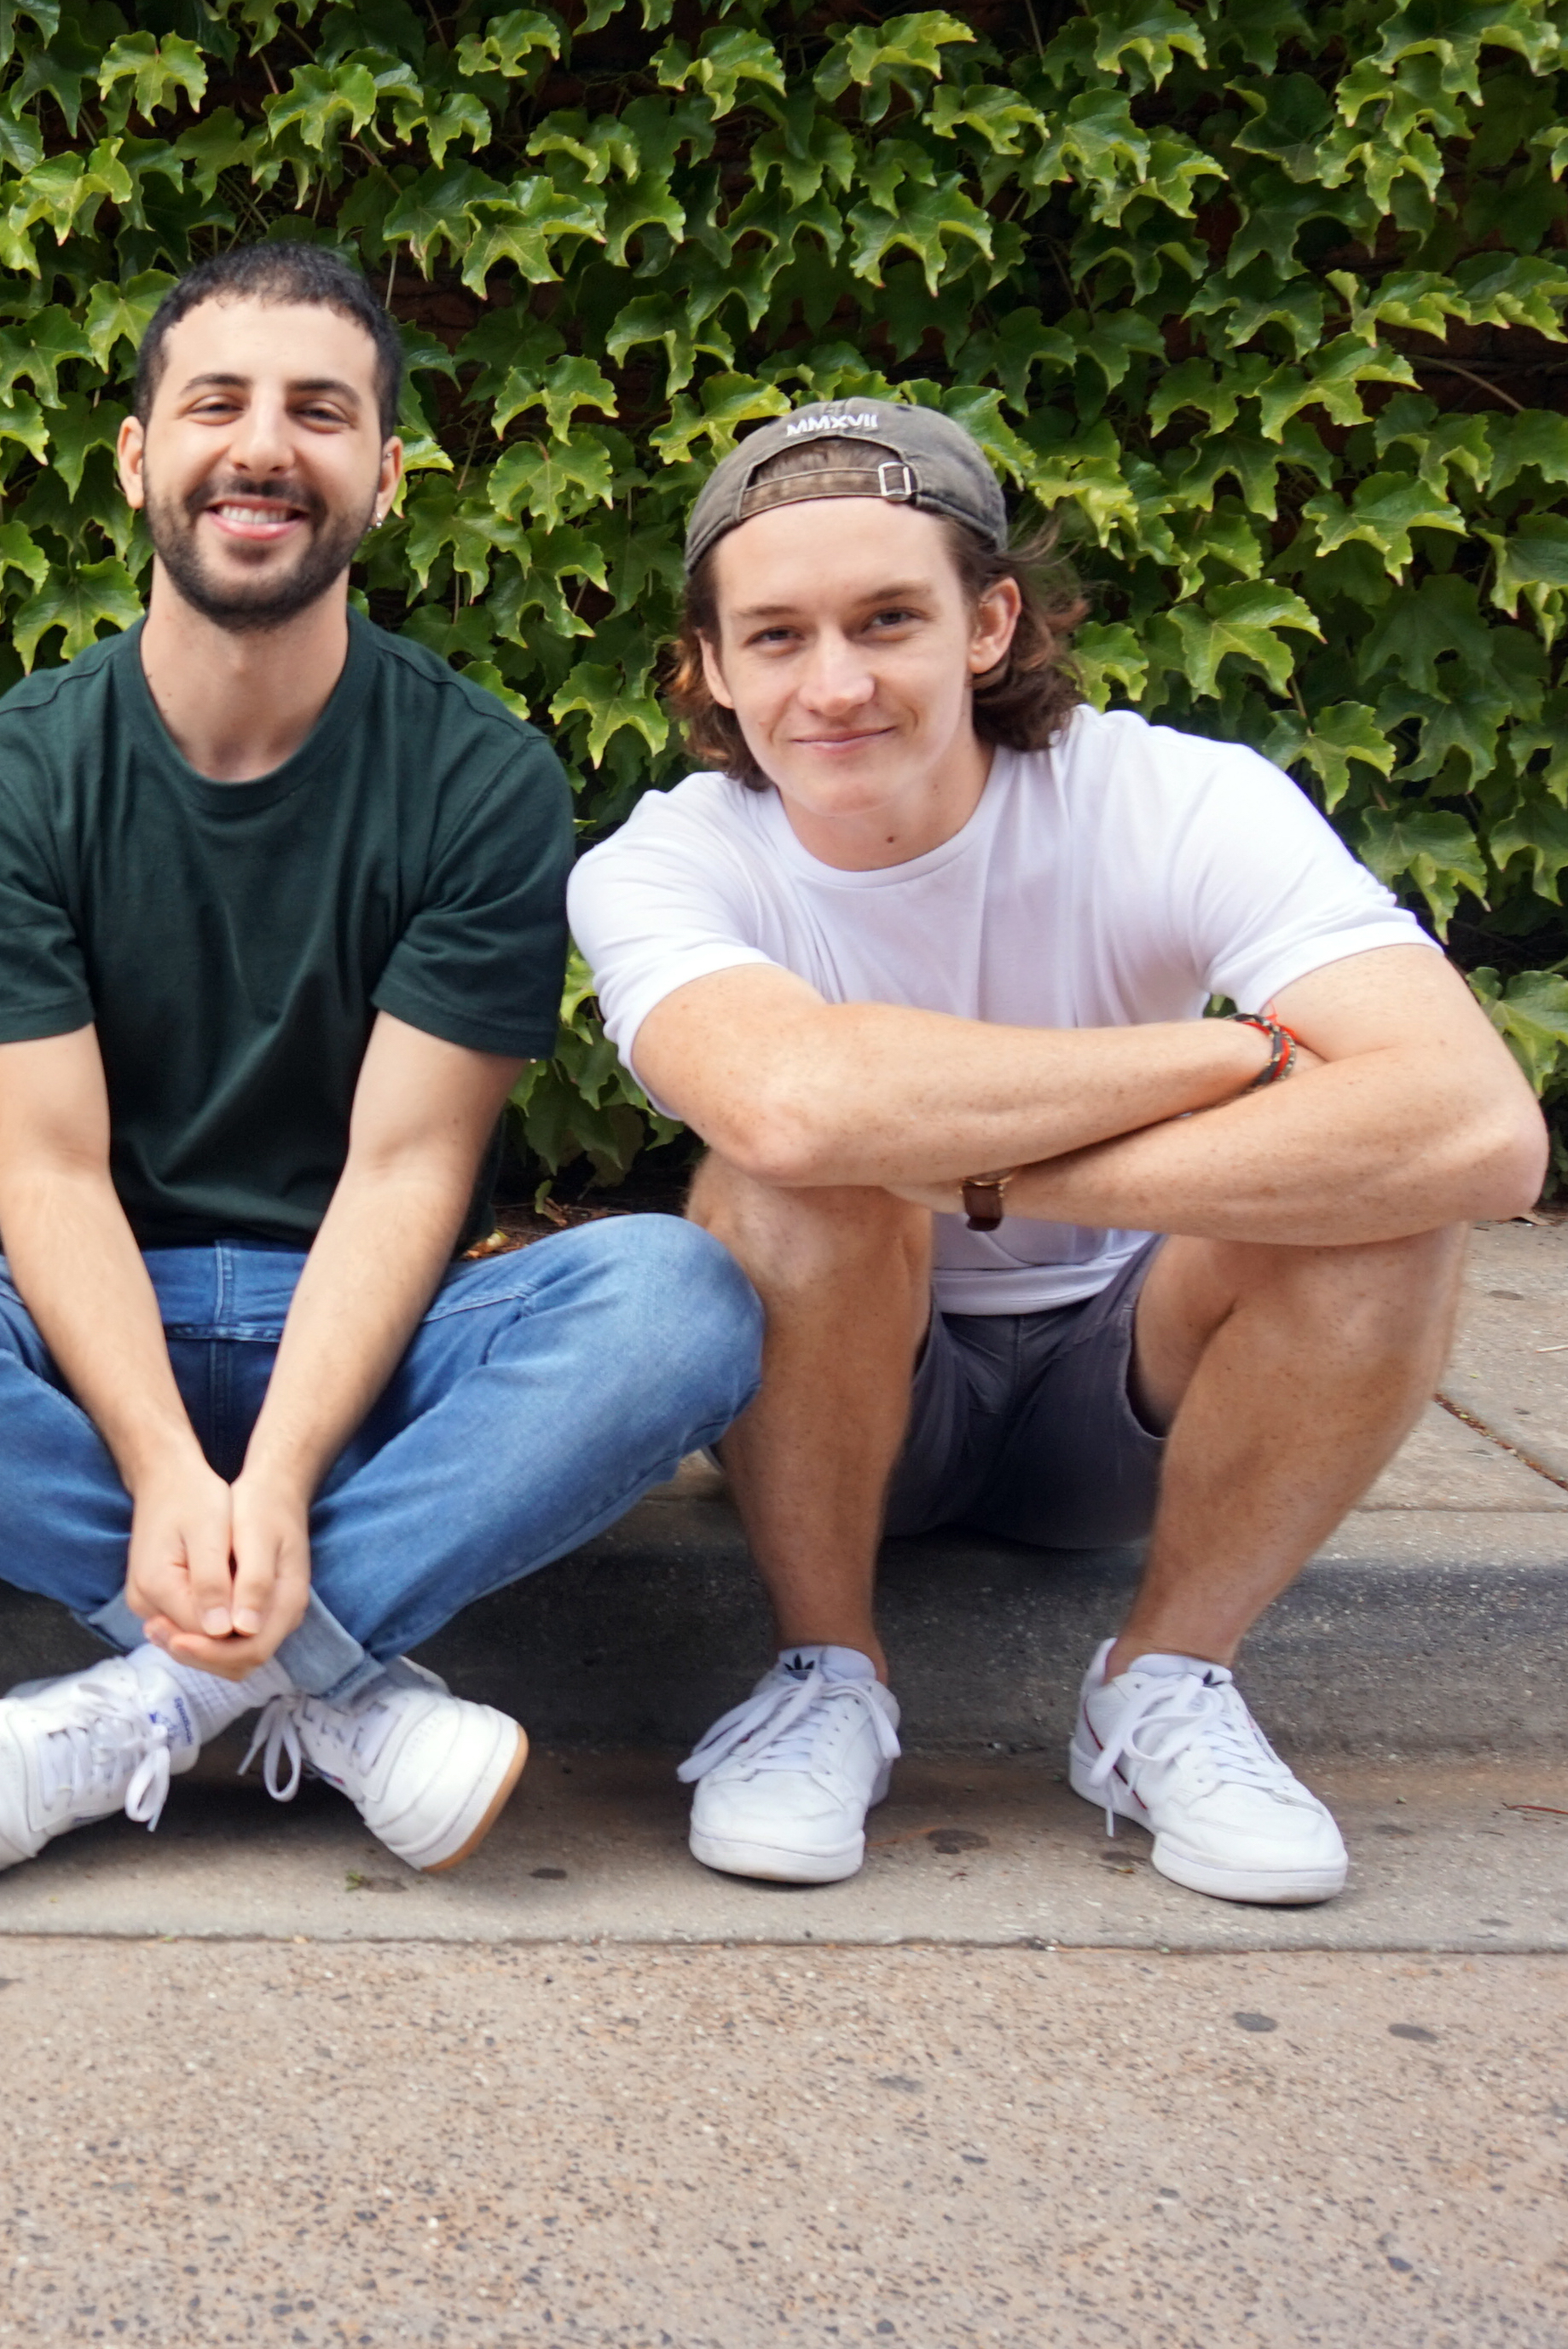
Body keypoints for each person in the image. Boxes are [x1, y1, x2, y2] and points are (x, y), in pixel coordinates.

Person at [0, 240, 764, 1882]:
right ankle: (337, 1690)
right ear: (136, 457)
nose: (263, 446)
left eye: (319, 412)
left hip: (373, 1332)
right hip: (86, 1335)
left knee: (676, 1301)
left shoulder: (479, 779)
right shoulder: (11, 780)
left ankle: (142, 1707)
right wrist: (161, 1468)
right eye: (215, 404)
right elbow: (47, 1170)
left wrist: (274, 1478)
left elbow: (408, 1166)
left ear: (387, 476)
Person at [570, 399, 1545, 1905]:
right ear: (707, 666)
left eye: (886, 619)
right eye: (773, 637)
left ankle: (1163, 1688)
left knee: (1385, 1201)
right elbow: (794, 1111)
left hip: (1131, 1383)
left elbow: (1474, 1127)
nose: (833, 684)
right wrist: (1224, 1055)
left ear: (988, 623)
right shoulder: (665, 859)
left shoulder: (1174, 798)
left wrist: (981, 1173)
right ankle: (824, 1676)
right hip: (848, 1392)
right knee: (786, 1179)